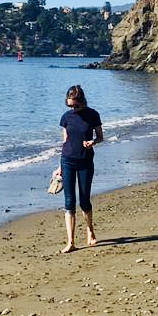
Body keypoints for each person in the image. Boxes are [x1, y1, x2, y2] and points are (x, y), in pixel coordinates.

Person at [59, 84, 103, 252]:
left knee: (84, 200)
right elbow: (65, 142)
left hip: (85, 161)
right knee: (69, 202)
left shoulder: (93, 115)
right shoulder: (66, 117)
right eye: (69, 105)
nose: (72, 108)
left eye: (75, 105)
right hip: (68, 160)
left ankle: (90, 230)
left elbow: (100, 137)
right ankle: (70, 242)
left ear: (82, 101)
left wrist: (93, 142)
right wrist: (60, 166)